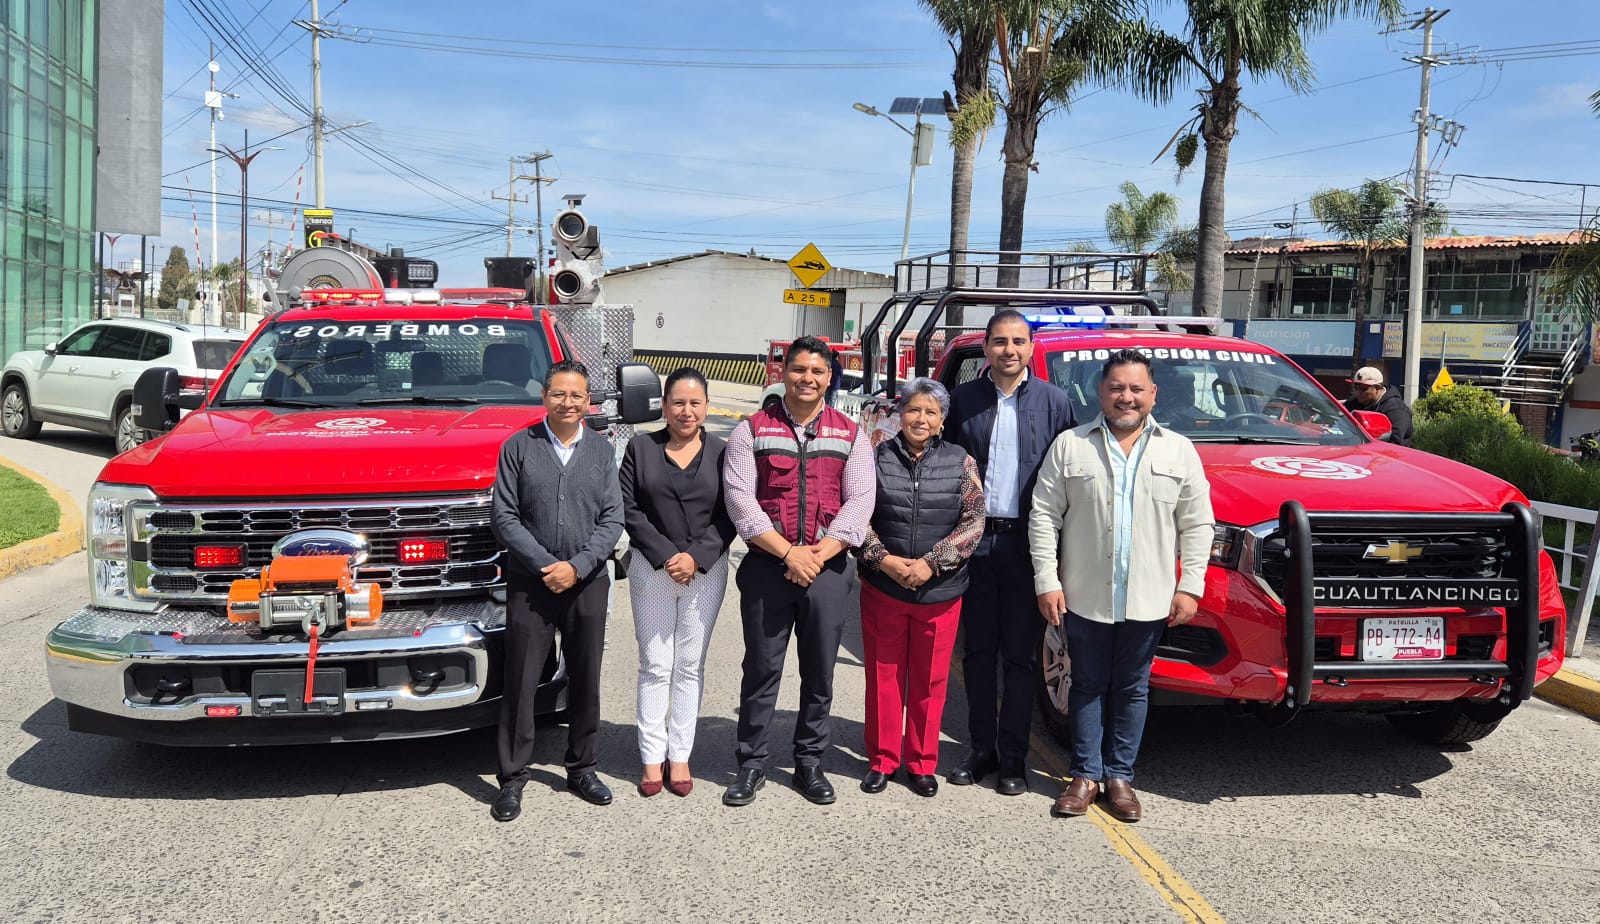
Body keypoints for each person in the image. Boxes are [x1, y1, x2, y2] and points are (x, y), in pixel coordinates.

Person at [1029, 349, 1214, 823]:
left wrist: (1190, 586)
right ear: (1101, 392)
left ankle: (1120, 777)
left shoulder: (1178, 450)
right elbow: (1045, 517)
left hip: (1149, 595)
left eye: (1135, 388)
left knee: (1133, 688)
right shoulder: (1071, 445)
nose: (1125, 397)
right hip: (1084, 592)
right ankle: (1086, 775)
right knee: (1086, 684)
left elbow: (1197, 525)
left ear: (1153, 394)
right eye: (1116, 388)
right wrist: (1047, 581)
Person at [722, 335, 875, 807]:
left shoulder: (851, 434)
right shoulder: (751, 430)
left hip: (827, 571)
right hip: (770, 566)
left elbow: (860, 502)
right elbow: (740, 500)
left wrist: (817, 554)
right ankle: (751, 763)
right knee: (762, 669)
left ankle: (809, 762)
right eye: (798, 370)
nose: (807, 379)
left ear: (831, 377)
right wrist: (789, 554)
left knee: (819, 671)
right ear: (783, 373)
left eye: (817, 371)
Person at [943, 309, 1077, 795]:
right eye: (1000, 341)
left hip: (1027, 546)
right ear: (986, 347)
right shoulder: (962, 401)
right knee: (978, 653)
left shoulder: (1055, 403)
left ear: (1030, 346)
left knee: (1020, 658)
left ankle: (1015, 758)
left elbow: (1069, 479)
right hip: (974, 544)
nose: (1009, 350)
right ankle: (981, 750)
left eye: (1018, 341)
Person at [489, 359, 623, 821]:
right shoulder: (518, 447)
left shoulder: (603, 452)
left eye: (577, 396)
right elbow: (504, 517)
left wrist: (580, 565)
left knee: (586, 679)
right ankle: (512, 778)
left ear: (589, 402)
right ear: (544, 396)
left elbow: (612, 520)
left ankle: (582, 767)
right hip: (532, 583)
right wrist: (548, 565)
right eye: (559, 394)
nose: (568, 403)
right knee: (521, 682)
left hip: (588, 584)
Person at [856, 378, 985, 798]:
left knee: (930, 680)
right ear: (900, 414)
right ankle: (882, 760)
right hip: (884, 587)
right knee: (884, 675)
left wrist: (931, 564)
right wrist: (885, 560)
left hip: (940, 591)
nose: (921, 418)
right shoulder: (875, 457)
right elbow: (857, 515)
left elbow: (973, 521)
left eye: (931, 412)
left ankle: (921, 762)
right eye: (914, 409)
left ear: (942, 420)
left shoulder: (961, 461)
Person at [619, 367, 737, 798]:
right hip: (652, 570)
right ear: (664, 406)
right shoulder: (640, 448)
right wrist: (669, 555)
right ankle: (652, 758)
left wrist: (697, 556)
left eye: (695, 403)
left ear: (707, 407)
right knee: (655, 664)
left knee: (689, 665)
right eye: (678, 403)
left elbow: (731, 512)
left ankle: (680, 753)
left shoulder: (725, 452)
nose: (686, 411)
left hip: (706, 571)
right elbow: (629, 509)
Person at [1344, 366, 1413, 447]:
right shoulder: (1354, 402)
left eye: (1363, 389)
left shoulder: (1395, 409)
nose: (1358, 393)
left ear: (1377, 388)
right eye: (1356, 388)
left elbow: (1394, 441)